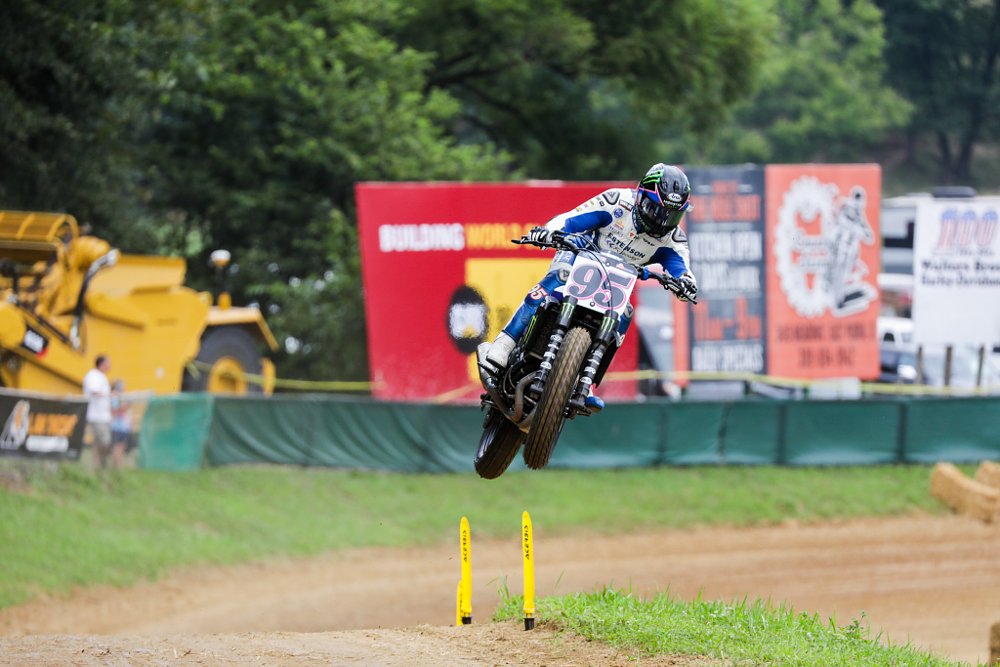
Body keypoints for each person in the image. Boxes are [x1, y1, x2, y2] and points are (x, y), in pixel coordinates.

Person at [483, 163, 698, 411]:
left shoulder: (673, 239)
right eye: (656, 210)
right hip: (580, 256)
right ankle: (504, 343)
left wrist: (686, 285)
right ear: (641, 196)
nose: (661, 222)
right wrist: (548, 231)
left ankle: (585, 380)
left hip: (616, 284)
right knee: (557, 277)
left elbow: (683, 270)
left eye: (671, 216)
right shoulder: (617, 202)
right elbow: (571, 219)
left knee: (626, 313)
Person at [83, 354, 113, 470]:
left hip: (105, 416)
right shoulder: (93, 375)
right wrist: (109, 394)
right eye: (108, 363)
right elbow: (93, 391)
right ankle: (99, 464)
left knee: (100, 441)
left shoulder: (103, 377)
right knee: (104, 441)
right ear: (101, 364)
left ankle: (98, 466)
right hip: (96, 416)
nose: (109, 366)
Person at [110, 379, 132, 469]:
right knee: (117, 449)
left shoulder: (122, 397)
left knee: (122, 449)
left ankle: (119, 468)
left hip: (124, 427)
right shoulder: (114, 397)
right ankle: (116, 468)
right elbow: (115, 410)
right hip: (116, 427)